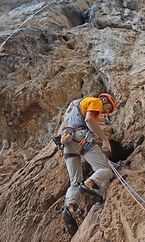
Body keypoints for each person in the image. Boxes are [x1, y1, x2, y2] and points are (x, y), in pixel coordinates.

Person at [60, 93, 116, 235]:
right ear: (104, 100)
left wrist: (104, 120)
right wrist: (105, 140)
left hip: (68, 143)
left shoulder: (80, 105)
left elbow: (92, 118)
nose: (105, 112)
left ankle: (70, 209)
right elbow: (89, 120)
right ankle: (89, 185)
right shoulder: (96, 101)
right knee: (104, 169)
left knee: (75, 182)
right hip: (81, 140)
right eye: (107, 108)